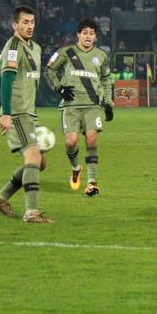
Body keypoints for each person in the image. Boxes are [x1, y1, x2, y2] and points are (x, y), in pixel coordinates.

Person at [0, 6, 52, 223]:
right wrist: (6, 114)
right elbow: (6, 80)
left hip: (29, 113)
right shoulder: (13, 47)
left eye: (32, 22)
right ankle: (31, 212)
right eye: (25, 22)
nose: (30, 26)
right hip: (16, 113)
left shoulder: (35, 47)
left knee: (39, 163)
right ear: (14, 25)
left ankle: (1, 197)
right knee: (33, 157)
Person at [45, 17, 114, 197]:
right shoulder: (66, 52)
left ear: (96, 37)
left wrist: (108, 102)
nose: (88, 36)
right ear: (78, 34)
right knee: (71, 142)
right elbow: (49, 70)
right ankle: (76, 168)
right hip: (70, 106)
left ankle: (92, 182)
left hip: (91, 105)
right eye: (85, 33)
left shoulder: (101, 56)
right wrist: (59, 89)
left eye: (92, 33)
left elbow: (106, 79)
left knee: (91, 140)